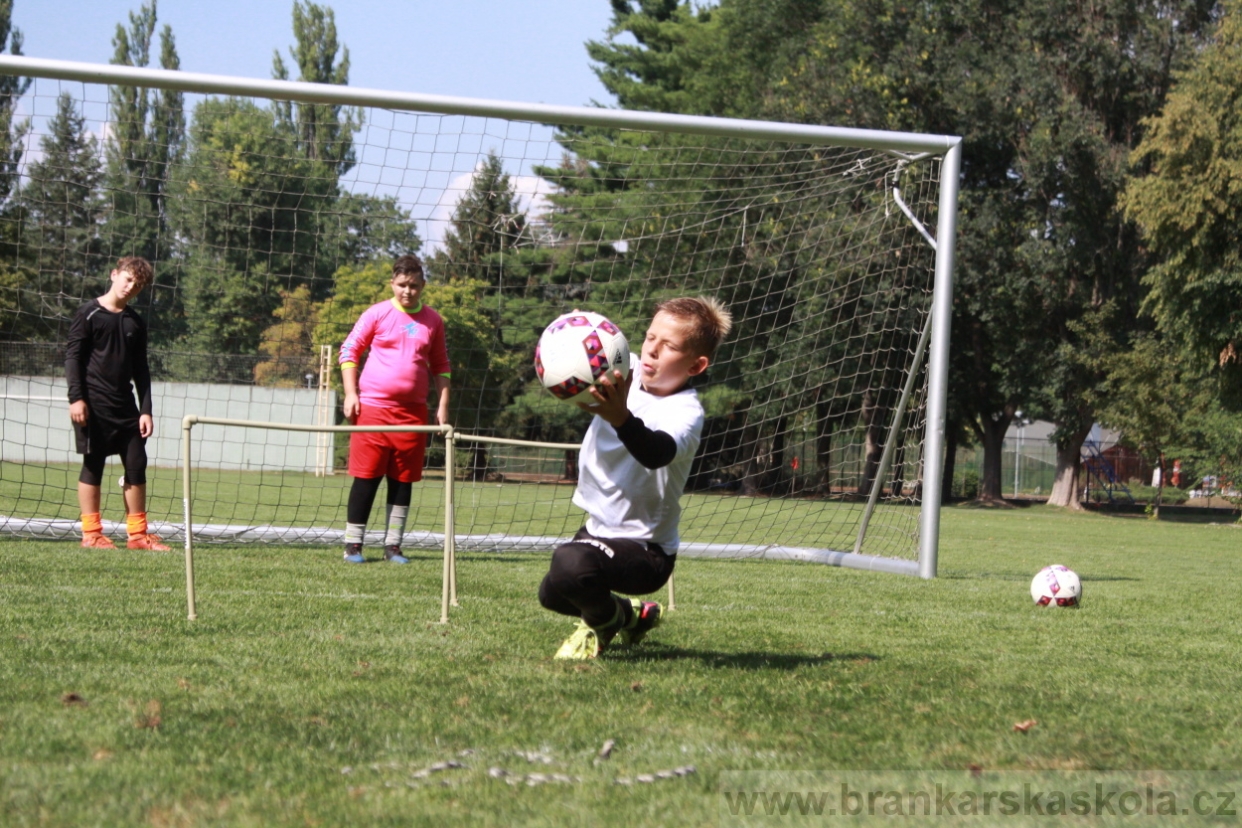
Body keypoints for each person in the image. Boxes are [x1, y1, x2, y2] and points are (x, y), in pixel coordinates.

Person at [539, 296, 732, 659]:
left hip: (647, 551)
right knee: (552, 593)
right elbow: (581, 351)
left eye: (669, 346)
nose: (652, 352)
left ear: (696, 364)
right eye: (649, 338)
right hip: (597, 531)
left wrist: (620, 416)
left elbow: (655, 452)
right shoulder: (621, 371)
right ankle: (630, 616)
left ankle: (604, 623)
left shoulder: (685, 412)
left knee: (569, 565)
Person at [338, 254, 450, 564]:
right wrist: (351, 393)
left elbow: (441, 364)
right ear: (392, 283)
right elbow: (349, 350)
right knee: (367, 477)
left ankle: (393, 547)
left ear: (423, 285)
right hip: (372, 409)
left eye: (414, 285)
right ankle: (353, 545)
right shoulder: (376, 314)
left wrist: (442, 404)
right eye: (402, 285)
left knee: (402, 480)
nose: (407, 291)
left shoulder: (433, 320)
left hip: (413, 415)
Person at [65, 256, 169, 551]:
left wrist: (146, 409)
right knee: (93, 465)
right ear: (114, 274)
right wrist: (77, 398)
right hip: (92, 408)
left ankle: (137, 536)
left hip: (126, 410)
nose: (131, 287)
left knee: (137, 464)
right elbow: (73, 358)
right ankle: (92, 534)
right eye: (127, 279)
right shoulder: (88, 314)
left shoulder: (134, 322)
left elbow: (141, 369)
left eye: (138, 285)